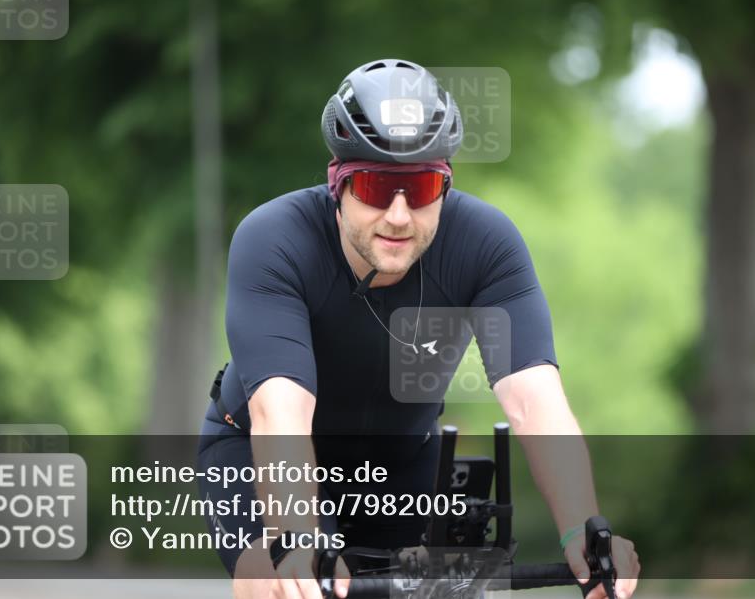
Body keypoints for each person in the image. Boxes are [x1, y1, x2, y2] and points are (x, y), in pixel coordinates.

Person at [197, 59, 640, 599]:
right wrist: (297, 538)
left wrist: (583, 530)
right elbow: (280, 413)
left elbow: (536, 402)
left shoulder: (486, 244)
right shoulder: (273, 239)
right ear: (339, 183)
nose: (401, 215)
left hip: (403, 465)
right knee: (279, 584)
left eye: (423, 186)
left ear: (447, 185)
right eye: (378, 186)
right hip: (256, 450)